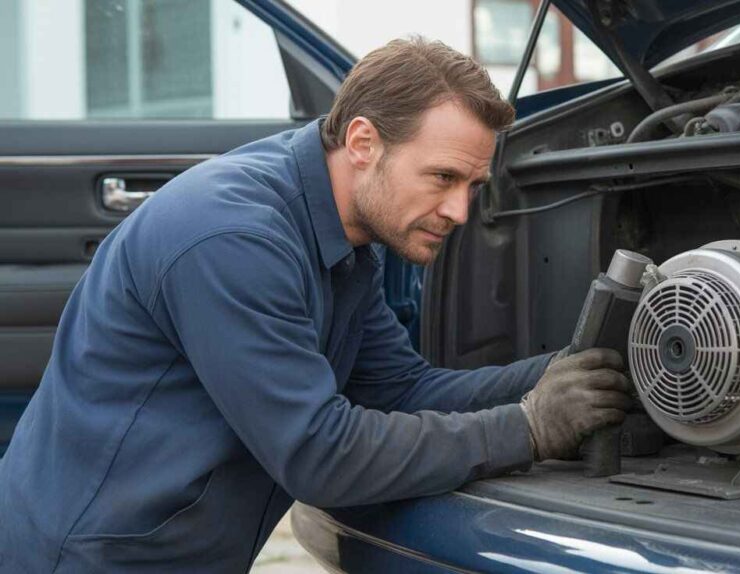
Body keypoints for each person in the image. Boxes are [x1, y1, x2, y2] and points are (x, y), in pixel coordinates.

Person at [0, 37, 632, 572]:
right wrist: (529, 425)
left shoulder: (347, 235)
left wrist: (561, 376)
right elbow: (319, 456)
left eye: (473, 186)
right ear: (362, 142)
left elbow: (399, 389)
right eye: (442, 177)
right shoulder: (236, 239)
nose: (459, 211)